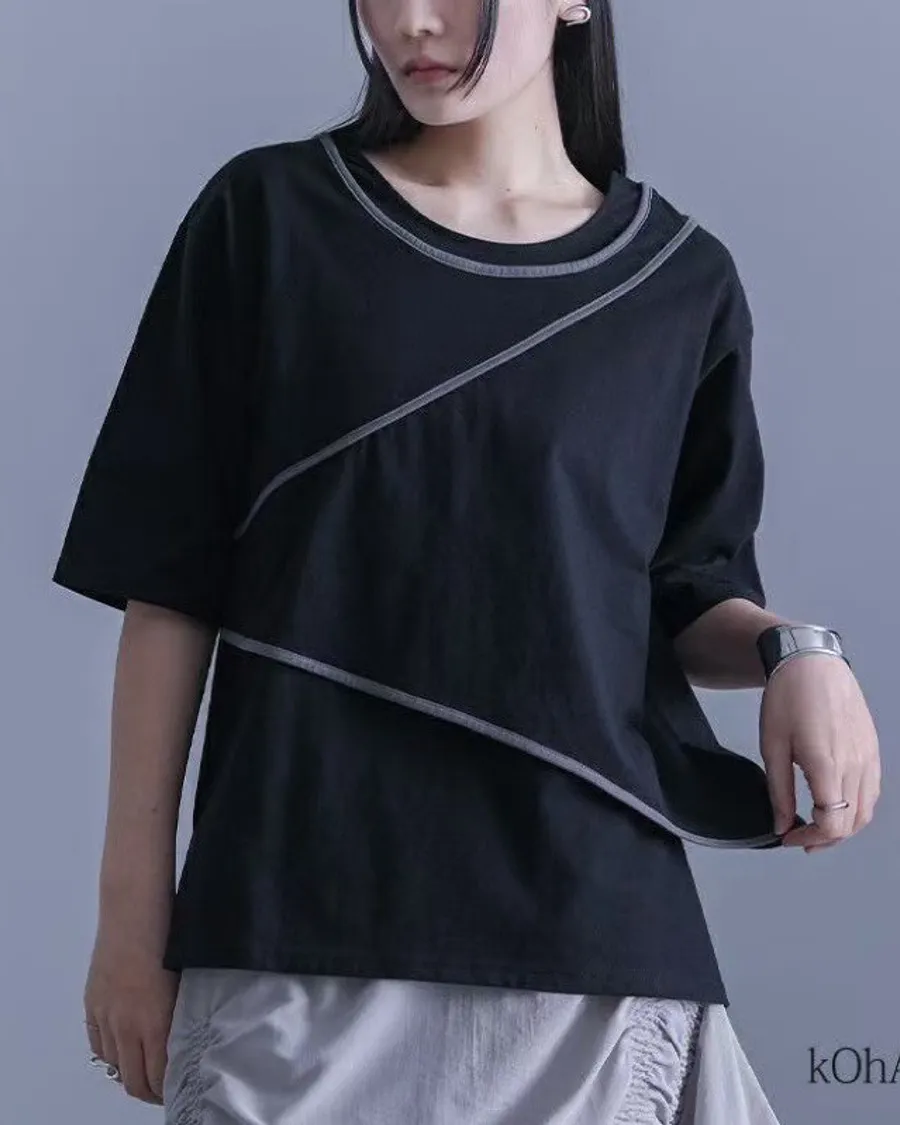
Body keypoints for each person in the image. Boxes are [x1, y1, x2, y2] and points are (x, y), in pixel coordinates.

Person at [54, 1, 882, 1122]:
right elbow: (170, 586)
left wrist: (800, 652)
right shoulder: (269, 219)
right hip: (297, 933)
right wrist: (130, 920)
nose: (412, 20)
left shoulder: (677, 284)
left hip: (591, 960)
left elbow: (690, 591)